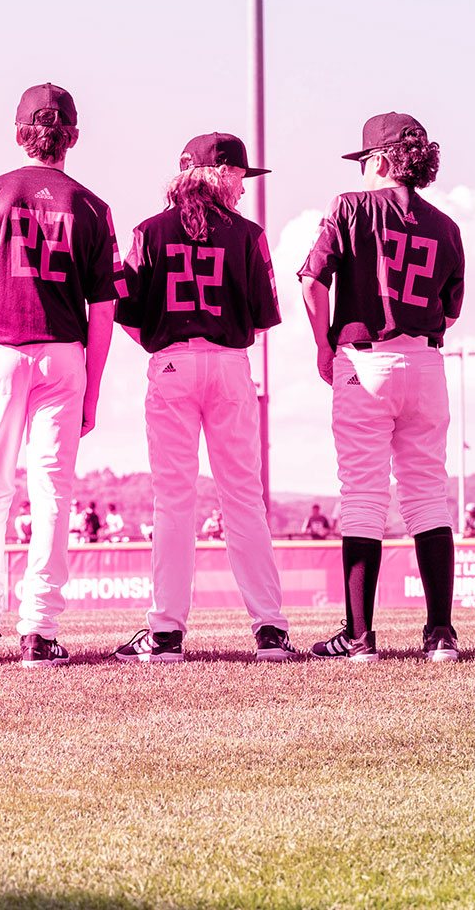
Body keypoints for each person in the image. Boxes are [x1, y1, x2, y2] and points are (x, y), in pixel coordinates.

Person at [0, 83, 122, 668]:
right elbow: (104, 309)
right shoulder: (93, 206)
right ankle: (38, 630)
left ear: (20, 132)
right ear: (71, 135)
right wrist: (94, 386)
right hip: (63, 353)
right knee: (51, 494)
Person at [110, 133, 293, 663]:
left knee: (174, 501)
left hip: (172, 361)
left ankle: (166, 632)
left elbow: (126, 309)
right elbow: (261, 319)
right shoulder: (249, 234)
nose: (242, 185)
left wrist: (161, 347)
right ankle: (270, 630)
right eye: (239, 174)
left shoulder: (150, 230)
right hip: (232, 363)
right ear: (222, 175)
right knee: (243, 499)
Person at [299, 112, 464, 663]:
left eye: (366, 160)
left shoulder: (350, 205)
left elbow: (311, 280)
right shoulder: (446, 225)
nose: (364, 169)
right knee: (427, 494)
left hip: (364, 357)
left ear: (382, 159)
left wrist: (324, 345)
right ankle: (440, 633)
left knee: (364, 494)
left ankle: (359, 636)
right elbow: (453, 307)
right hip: (426, 361)